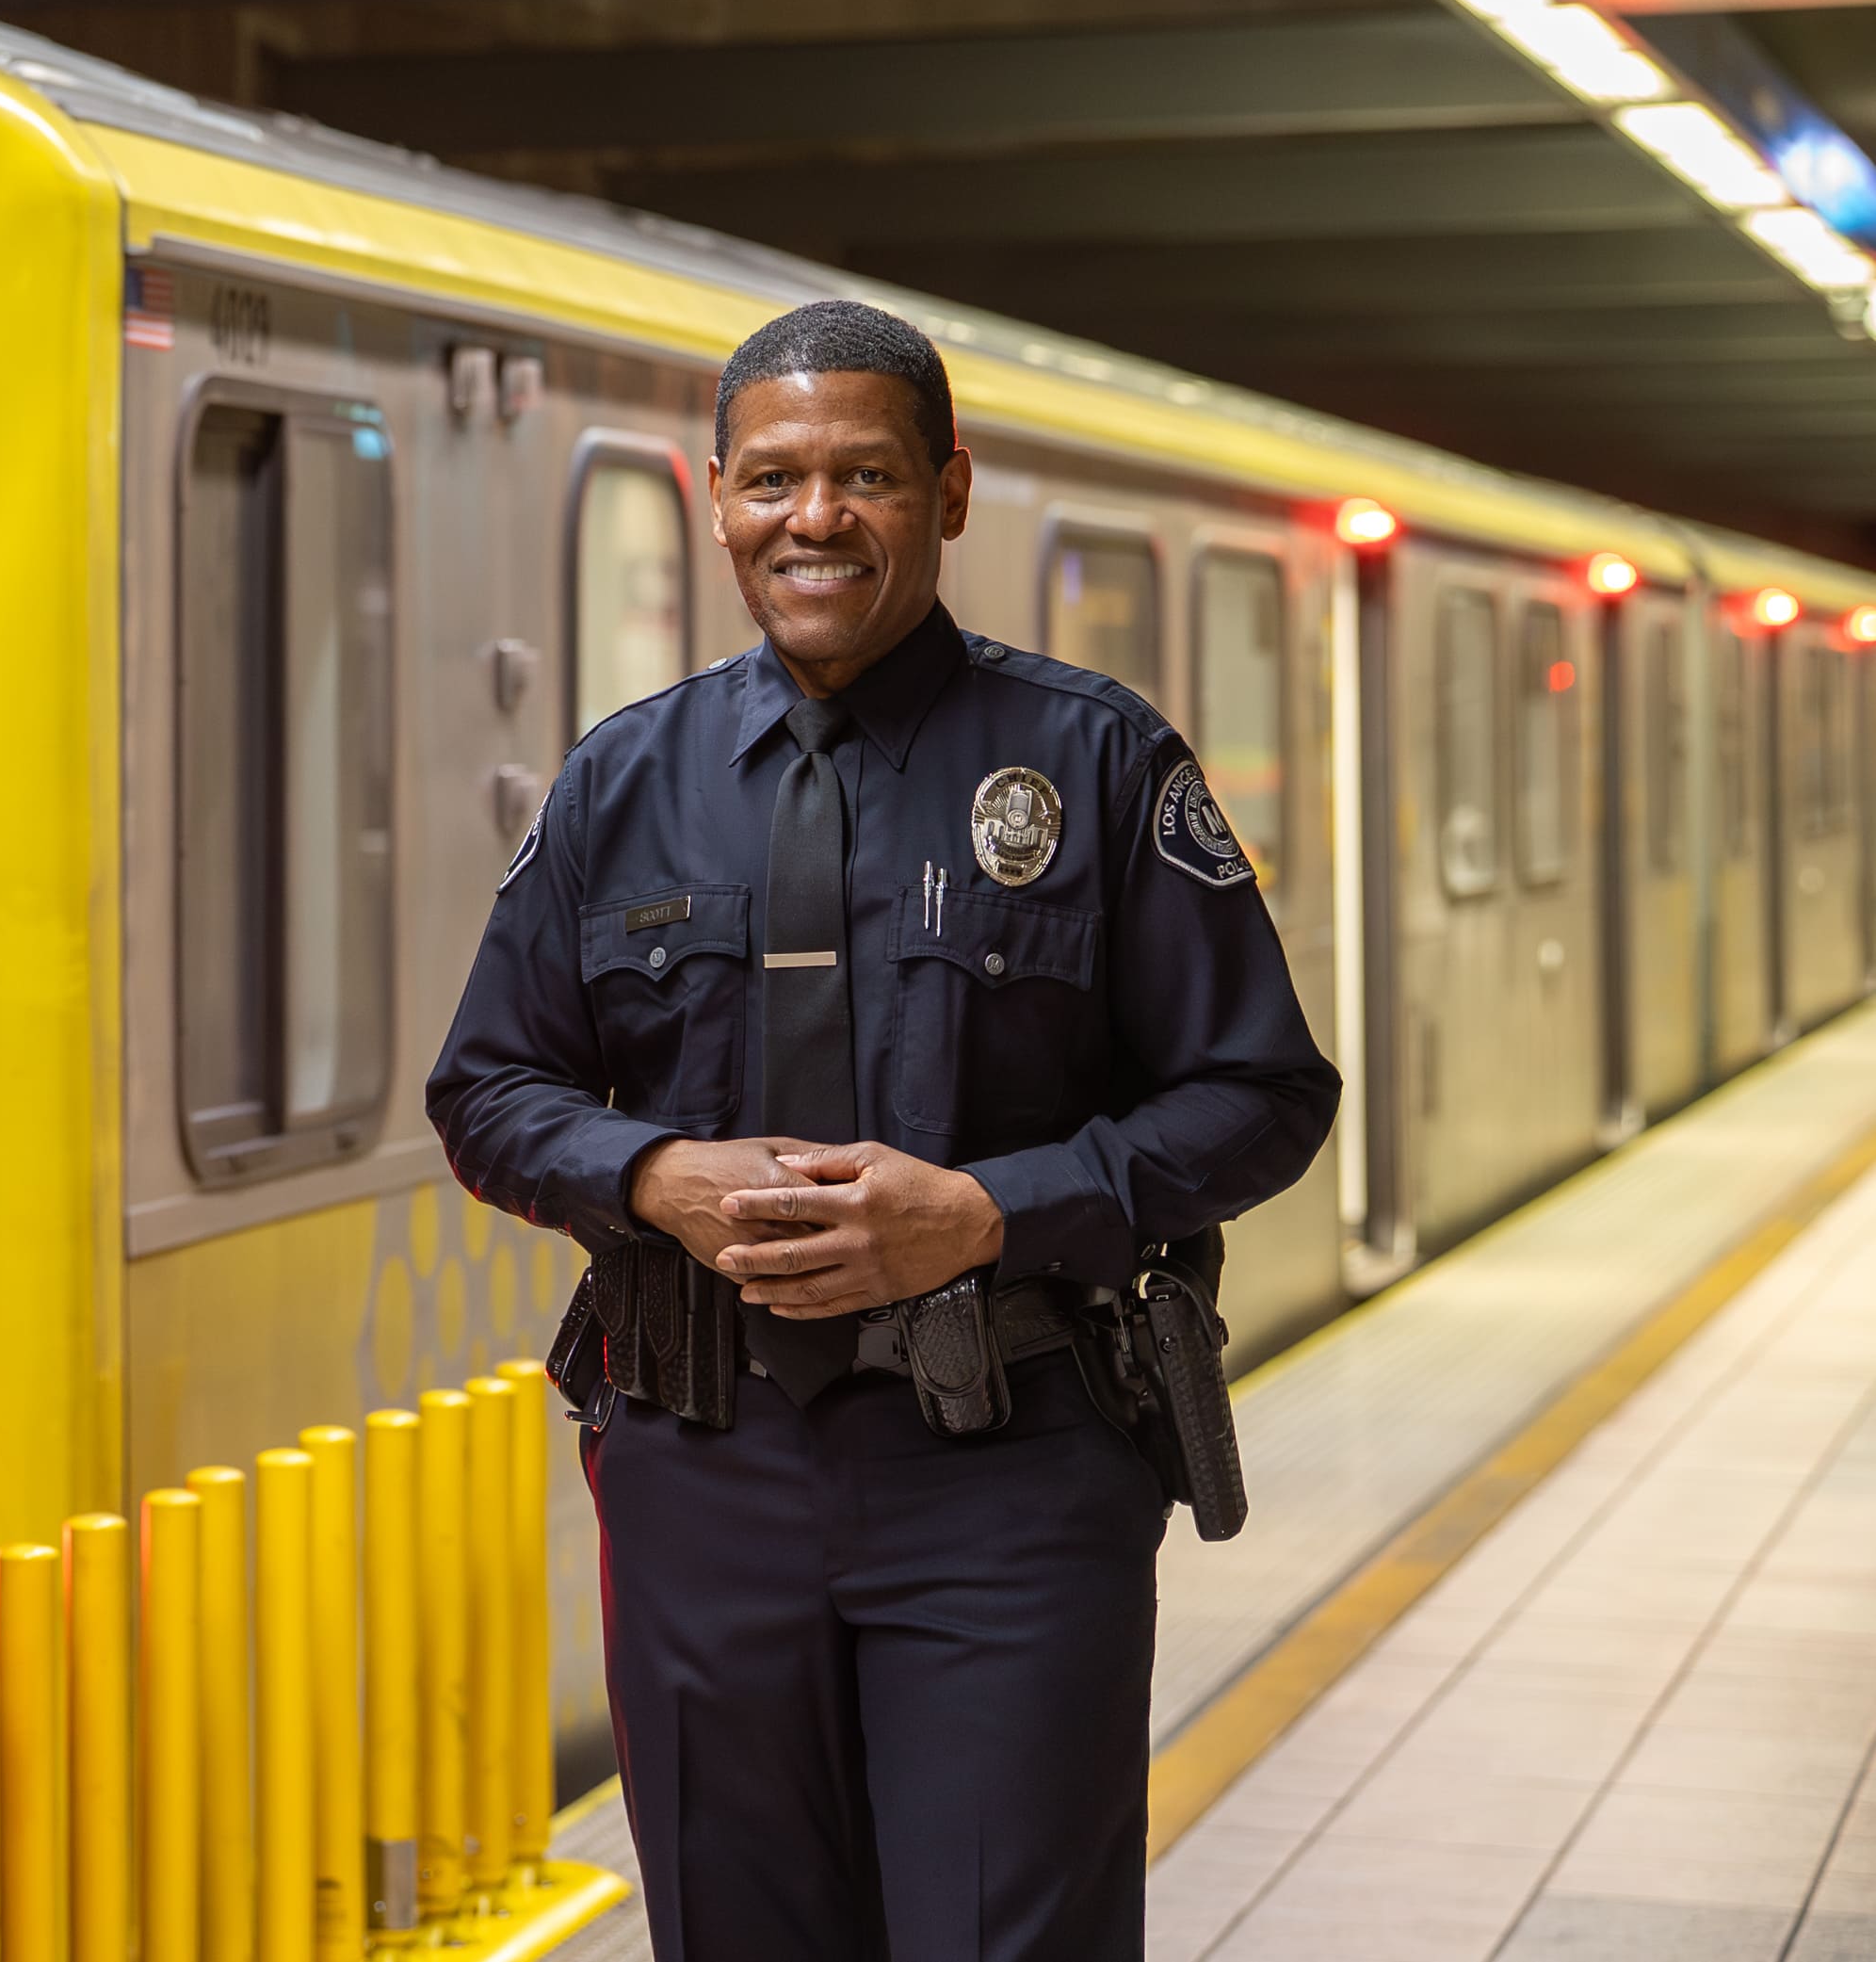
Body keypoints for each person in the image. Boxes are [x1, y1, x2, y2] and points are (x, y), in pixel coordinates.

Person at [428, 300, 1338, 1962]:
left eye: (866, 474)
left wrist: (988, 1211)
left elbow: (1264, 1095)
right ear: (713, 496)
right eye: (772, 478)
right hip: (702, 1471)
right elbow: (485, 1090)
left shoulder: (1096, 759)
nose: (815, 517)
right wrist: (648, 1173)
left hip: (1004, 1467)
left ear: (950, 489)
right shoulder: (615, 782)